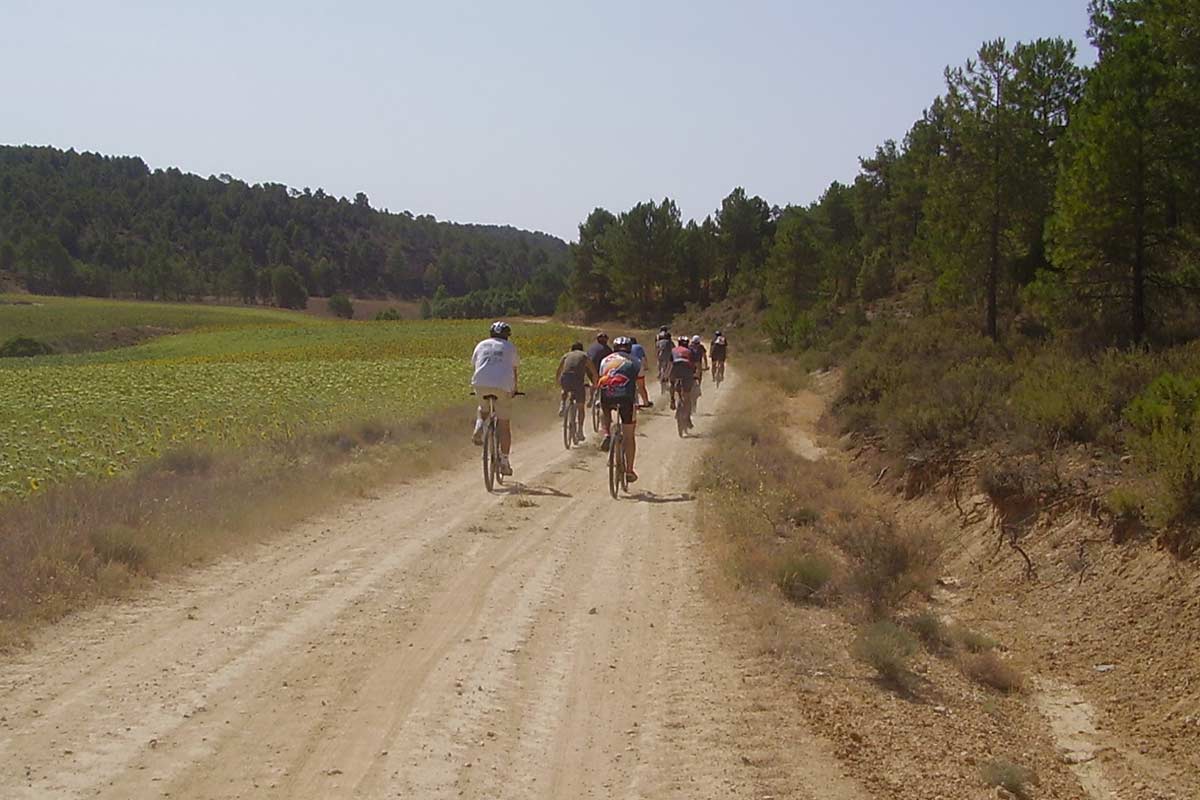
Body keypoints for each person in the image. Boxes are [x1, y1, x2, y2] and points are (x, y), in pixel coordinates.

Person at [470, 321, 520, 476]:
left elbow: (475, 364)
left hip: (480, 383)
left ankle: (479, 426)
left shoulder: (481, 345)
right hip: (502, 386)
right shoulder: (510, 347)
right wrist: (514, 389)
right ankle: (504, 462)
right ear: (507, 336)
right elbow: (514, 369)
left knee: (483, 408)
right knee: (504, 425)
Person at [597, 337, 644, 482]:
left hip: (607, 396)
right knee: (629, 436)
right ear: (630, 348)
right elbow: (641, 385)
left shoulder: (605, 360)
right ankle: (629, 471)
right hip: (626, 399)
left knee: (603, 408)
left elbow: (601, 378)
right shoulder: (636, 362)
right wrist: (646, 402)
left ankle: (606, 433)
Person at [555, 342, 598, 444]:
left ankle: (562, 404)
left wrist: (558, 381)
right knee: (580, 407)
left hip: (565, 378)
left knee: (565, 388)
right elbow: (593, 371)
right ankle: (579, 431)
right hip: (577, 381)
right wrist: (595, 383)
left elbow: (559, 370)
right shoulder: (584, 355)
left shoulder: (566, 355)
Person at [669, 336, 696, 428]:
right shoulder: (689, 351)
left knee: (672, 383)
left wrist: (666, 376)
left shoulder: (673, 350)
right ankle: (687, 418)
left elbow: (670, 364)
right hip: (687, 372)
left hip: (675, 370)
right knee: (687, 396)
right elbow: (693, 365)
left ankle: (672, 400)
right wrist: (694, 375)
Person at [585, 331, 612, 409]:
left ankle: (591, 398)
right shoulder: (608, 349)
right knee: (605, 384)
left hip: (590, 371)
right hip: (602, 372)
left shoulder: (591, 347)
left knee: (592, 383)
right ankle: (603, 399)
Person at [629, 336, 651, 406]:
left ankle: (635, 403)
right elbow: (643, 357)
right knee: (641, 386)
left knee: (631, 386)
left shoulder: (627, 348)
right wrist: (646, 367)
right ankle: (646, 402)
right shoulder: (639, 347)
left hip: (629, 367)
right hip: (639, 367)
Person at [655, 326, 673, 393]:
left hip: (660, 354)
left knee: (660, 364)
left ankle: (659, 373)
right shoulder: (669, 339)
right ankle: (666, 377)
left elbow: (657, 348)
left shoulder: (658, 338)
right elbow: (672, 348)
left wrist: (657, 355)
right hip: (667, 355)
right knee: (668, 366)